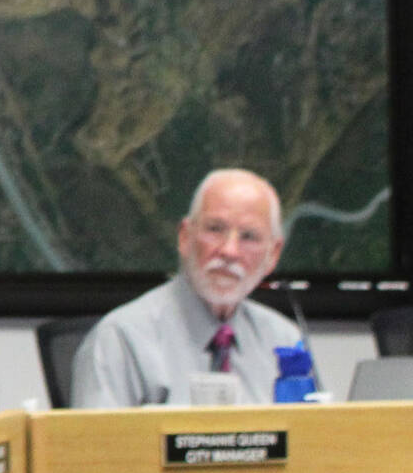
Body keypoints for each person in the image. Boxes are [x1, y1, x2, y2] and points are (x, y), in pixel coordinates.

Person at [71, 167, 300, 407]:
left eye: (249, 237)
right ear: (185, 237)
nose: (230, 251)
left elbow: (315, 439)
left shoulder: (284, 341)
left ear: (273, 255)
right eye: (215, 229)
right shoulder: (120, 338)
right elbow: (95, 444)